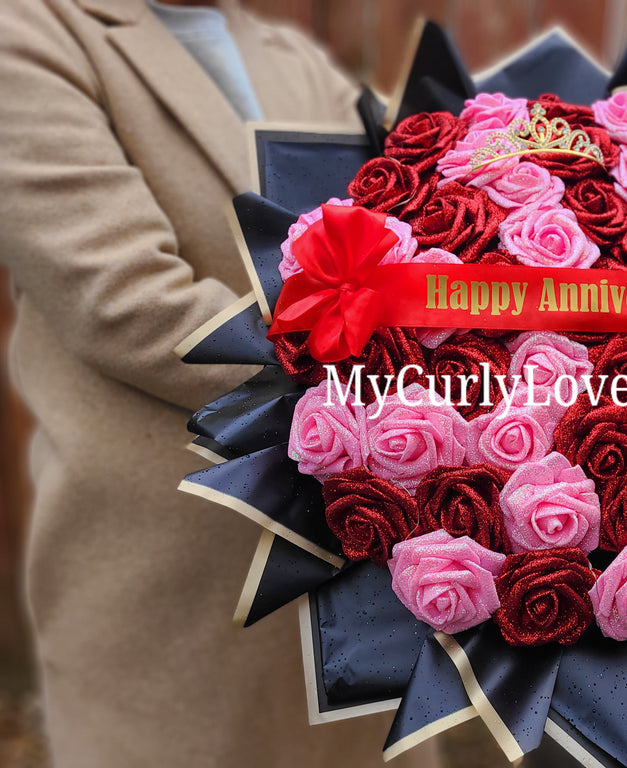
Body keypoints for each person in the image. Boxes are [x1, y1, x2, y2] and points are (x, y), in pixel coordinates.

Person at [0, 0, 438, 765]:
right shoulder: (31, 35)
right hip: (169, 577)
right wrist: (396, 383)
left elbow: (402, 230)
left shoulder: (288, 55)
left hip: (348, 567)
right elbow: (126, 301)